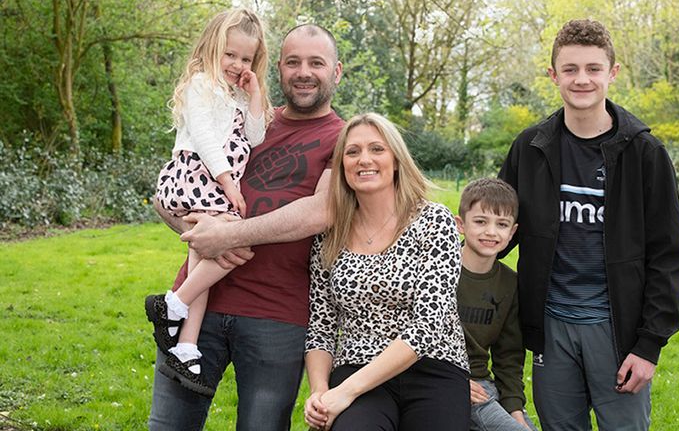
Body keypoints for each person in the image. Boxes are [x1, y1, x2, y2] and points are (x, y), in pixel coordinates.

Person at [148, 22, 345, 431]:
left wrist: (230, 235)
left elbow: (320, 211)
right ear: (278, 68)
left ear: (336, 72)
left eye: (316, 63)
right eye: (293, 62)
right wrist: (192, 225)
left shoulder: (342, 137)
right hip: (196, 302)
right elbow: (180, 182)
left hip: (276, 315)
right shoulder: (242, 115)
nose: (303, 72)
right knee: (168, 426)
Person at [497, 19, 679, 430]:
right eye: (570, 69)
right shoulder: (529, 148)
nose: (581, 79)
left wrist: (649, 345)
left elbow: (668, 256)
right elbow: (496, 228)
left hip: (616, 330)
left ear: (612, 73)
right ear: (553, 76)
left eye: (593, 69)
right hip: (551, 327)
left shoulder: (645, 152)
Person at [303, 113, 470, 431]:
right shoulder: (329, 235)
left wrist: (345, 392)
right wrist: (321, 394)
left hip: (432, 368)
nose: (364, 159)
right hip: (355, 367)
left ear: (396, 160)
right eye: (352, 152)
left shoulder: (433, 222)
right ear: (342, 167)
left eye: (376, 149)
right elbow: (321, 327)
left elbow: (427, 327)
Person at [145, 7, 270, 398]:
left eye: (245, 58)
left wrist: (255, 93)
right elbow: (203, 138)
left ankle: (186, 343)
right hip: (196, 176)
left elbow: (256, 137)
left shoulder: (236, 93)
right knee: (234, 241)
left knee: (204, 254)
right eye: (229, 55)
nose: (236, 64)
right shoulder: (202, 84)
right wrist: (228, 184)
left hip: (214, 184)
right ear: (212, 48)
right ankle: (173, 302)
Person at [454, 178, 537, 431]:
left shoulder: (509, 283)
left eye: (502, 224)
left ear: (512, 232)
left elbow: (508, 355)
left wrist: (515, 408)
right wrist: (450, 381)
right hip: (445, 382)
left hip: (483, 385)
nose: (491, 232)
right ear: (460, 225)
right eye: (480, 221)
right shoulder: (440, 270)